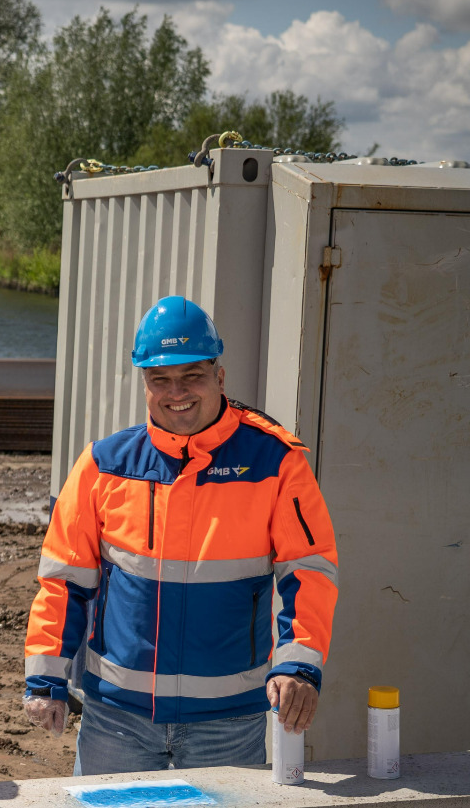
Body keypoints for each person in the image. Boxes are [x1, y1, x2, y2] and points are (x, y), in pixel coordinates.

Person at [23, 296, 337, 774]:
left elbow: (308, 571)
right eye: (161, 379)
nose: (177, 392)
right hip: (117, 721)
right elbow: (65, 582)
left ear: (220, 377)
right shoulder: (103, 465)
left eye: (192, 375)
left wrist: (298, 665)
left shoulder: (276, 462)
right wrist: (47, 679)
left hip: (228, 723)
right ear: (144, 382)